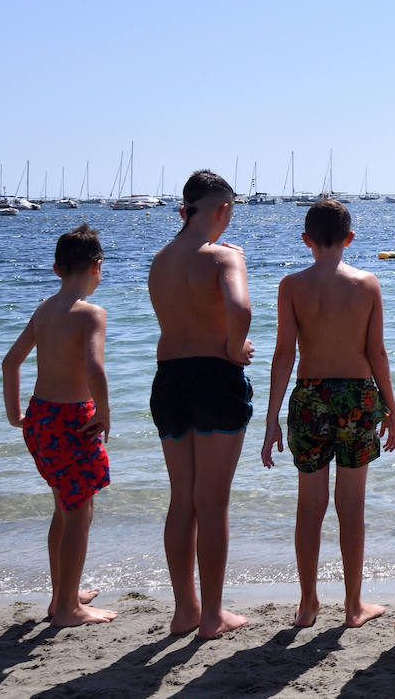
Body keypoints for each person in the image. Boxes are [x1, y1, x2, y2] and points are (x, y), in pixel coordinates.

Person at [261, 199, 395, 628]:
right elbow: (376, 352)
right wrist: (392, 407)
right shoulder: (367, 284)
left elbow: (284, 354)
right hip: (357, 398)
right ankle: (354, 606)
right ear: (350, 239)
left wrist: (271, 419)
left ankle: (307, 605)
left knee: (310, 507)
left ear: (307, 240)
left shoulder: (292, 286)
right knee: (351, 506)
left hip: (309, 397)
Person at [148, 170, 255, 638]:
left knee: (182, 501)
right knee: (212, 503)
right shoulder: (224, 258)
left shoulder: (159, 260)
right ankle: (212, 617)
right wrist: (235, 348)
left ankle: (184, 611)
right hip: (214, 377)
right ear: (222, 210)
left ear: (183, 211)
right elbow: (241, 308)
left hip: (169, 380)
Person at [2, 224, 117, 627]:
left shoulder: (44, 309)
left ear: (56, 269)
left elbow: (10, 361)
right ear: (97, 267)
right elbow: (94, 367)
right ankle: (69, 608)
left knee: (63, 509)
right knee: (79, 514)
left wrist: (14, 413)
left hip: (41, 418)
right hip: (72, 421)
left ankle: (61, 596)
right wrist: (104, 413)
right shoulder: (91, 313)